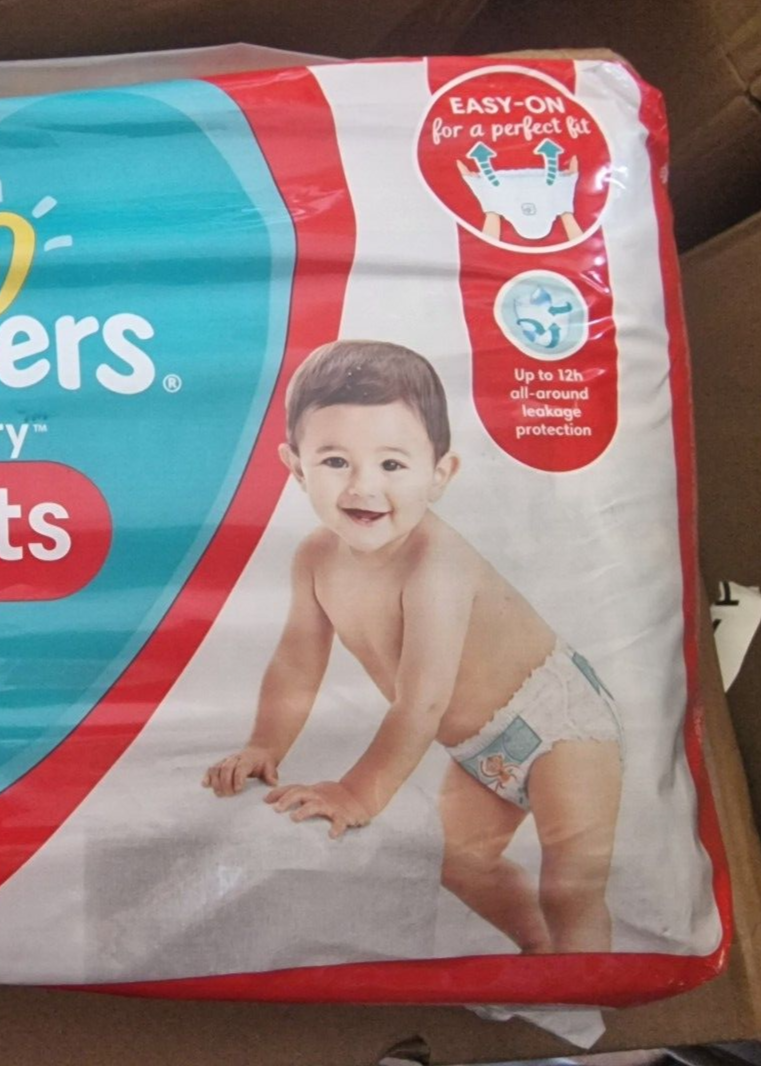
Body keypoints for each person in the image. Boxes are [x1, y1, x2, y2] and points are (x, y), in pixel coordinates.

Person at [202, 340, 622, 953]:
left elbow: (423, 701)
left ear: (440, 474)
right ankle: (542, 959)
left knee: (571, 886)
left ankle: (589, 993)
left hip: (562, 725)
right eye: (335, 461)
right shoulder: (314, 558)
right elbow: (297, 665)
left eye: (392, 465)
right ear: (295, 468)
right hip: (481, 748)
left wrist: (358, 792)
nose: (363, 486)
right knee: (462, 865)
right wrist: (266, 744)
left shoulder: (435, 564)